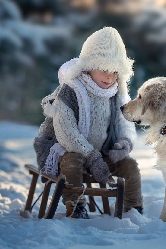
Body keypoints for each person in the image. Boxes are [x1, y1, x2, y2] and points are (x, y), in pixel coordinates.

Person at [33, 27, 143, 219]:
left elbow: (124, 122)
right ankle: (75, 204)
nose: (109, 77)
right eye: (103, 70)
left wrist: (124, 142)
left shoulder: (116, 94)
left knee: (129, 165)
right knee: (72, 161)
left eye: (114, 71)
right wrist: (91, 156)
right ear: (88, 66)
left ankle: (134, 207)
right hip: (67, 150)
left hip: (102, 153)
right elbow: (67, 132)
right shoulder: (70, 91)